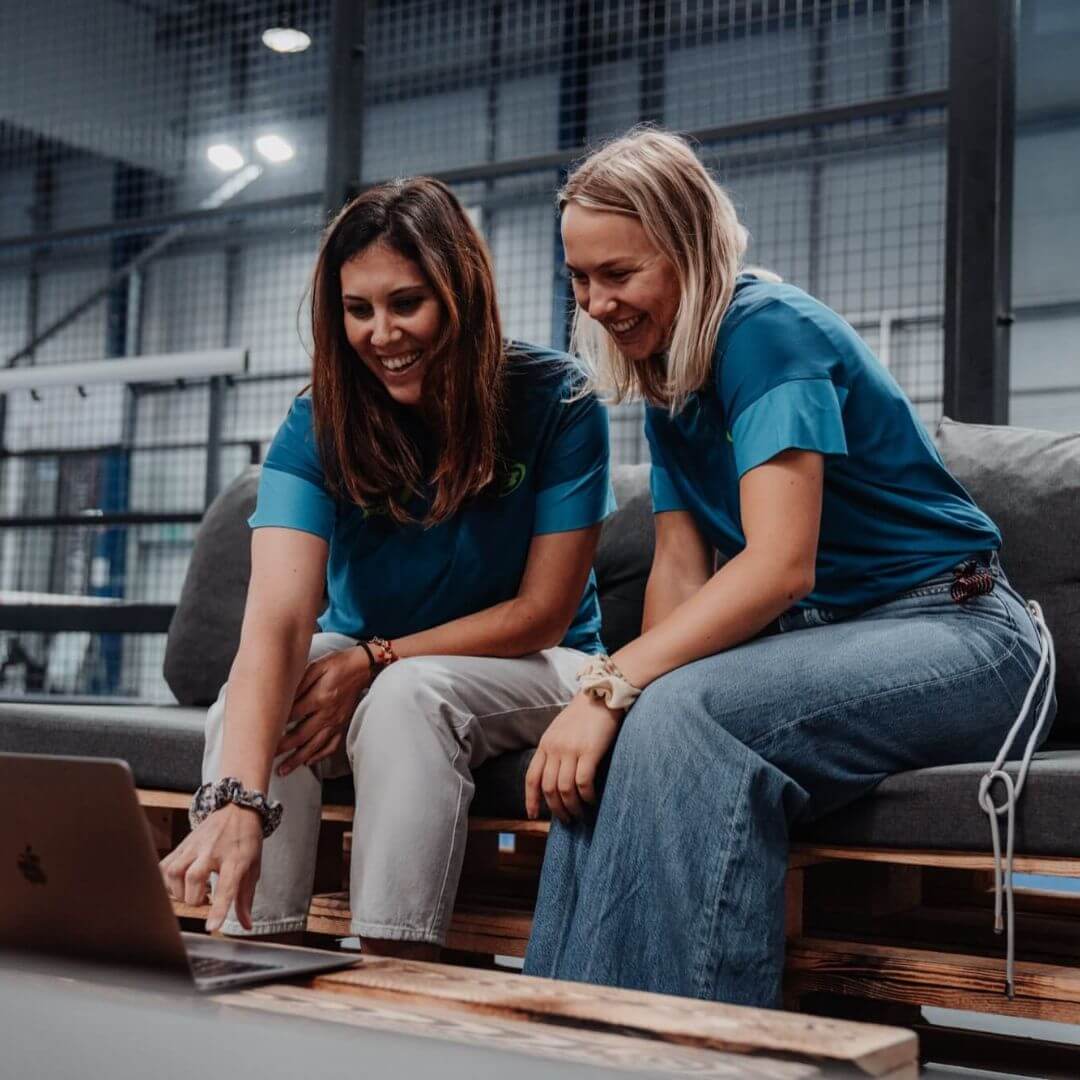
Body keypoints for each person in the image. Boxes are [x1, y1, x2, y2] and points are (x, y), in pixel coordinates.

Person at [522, 128, 1055, 1005]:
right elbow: (682, 571)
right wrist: (624, 702)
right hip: (846, 642)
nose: (597, 303)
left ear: (690, 249)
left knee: (672, 712)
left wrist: (607, 686)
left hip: (962, 634)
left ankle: (682, 1054)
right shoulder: (669, 373)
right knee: (639, 724)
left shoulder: (766, 332)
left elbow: (777, 568)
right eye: (579, 280)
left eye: (619, 274)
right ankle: (569, 1033)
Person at [160, 177, 614, 958]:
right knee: (272, 687)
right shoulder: (316, 422)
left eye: (407, 303)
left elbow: (540, 611)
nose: (382, 333)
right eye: (358, 309)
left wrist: (376, 658)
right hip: (368, 674)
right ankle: (251, 956)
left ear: (460, 292)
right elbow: (275, 621)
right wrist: (234, 799)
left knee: (410, 693)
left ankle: (395, 967)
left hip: (540, 666)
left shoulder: (557, 398)